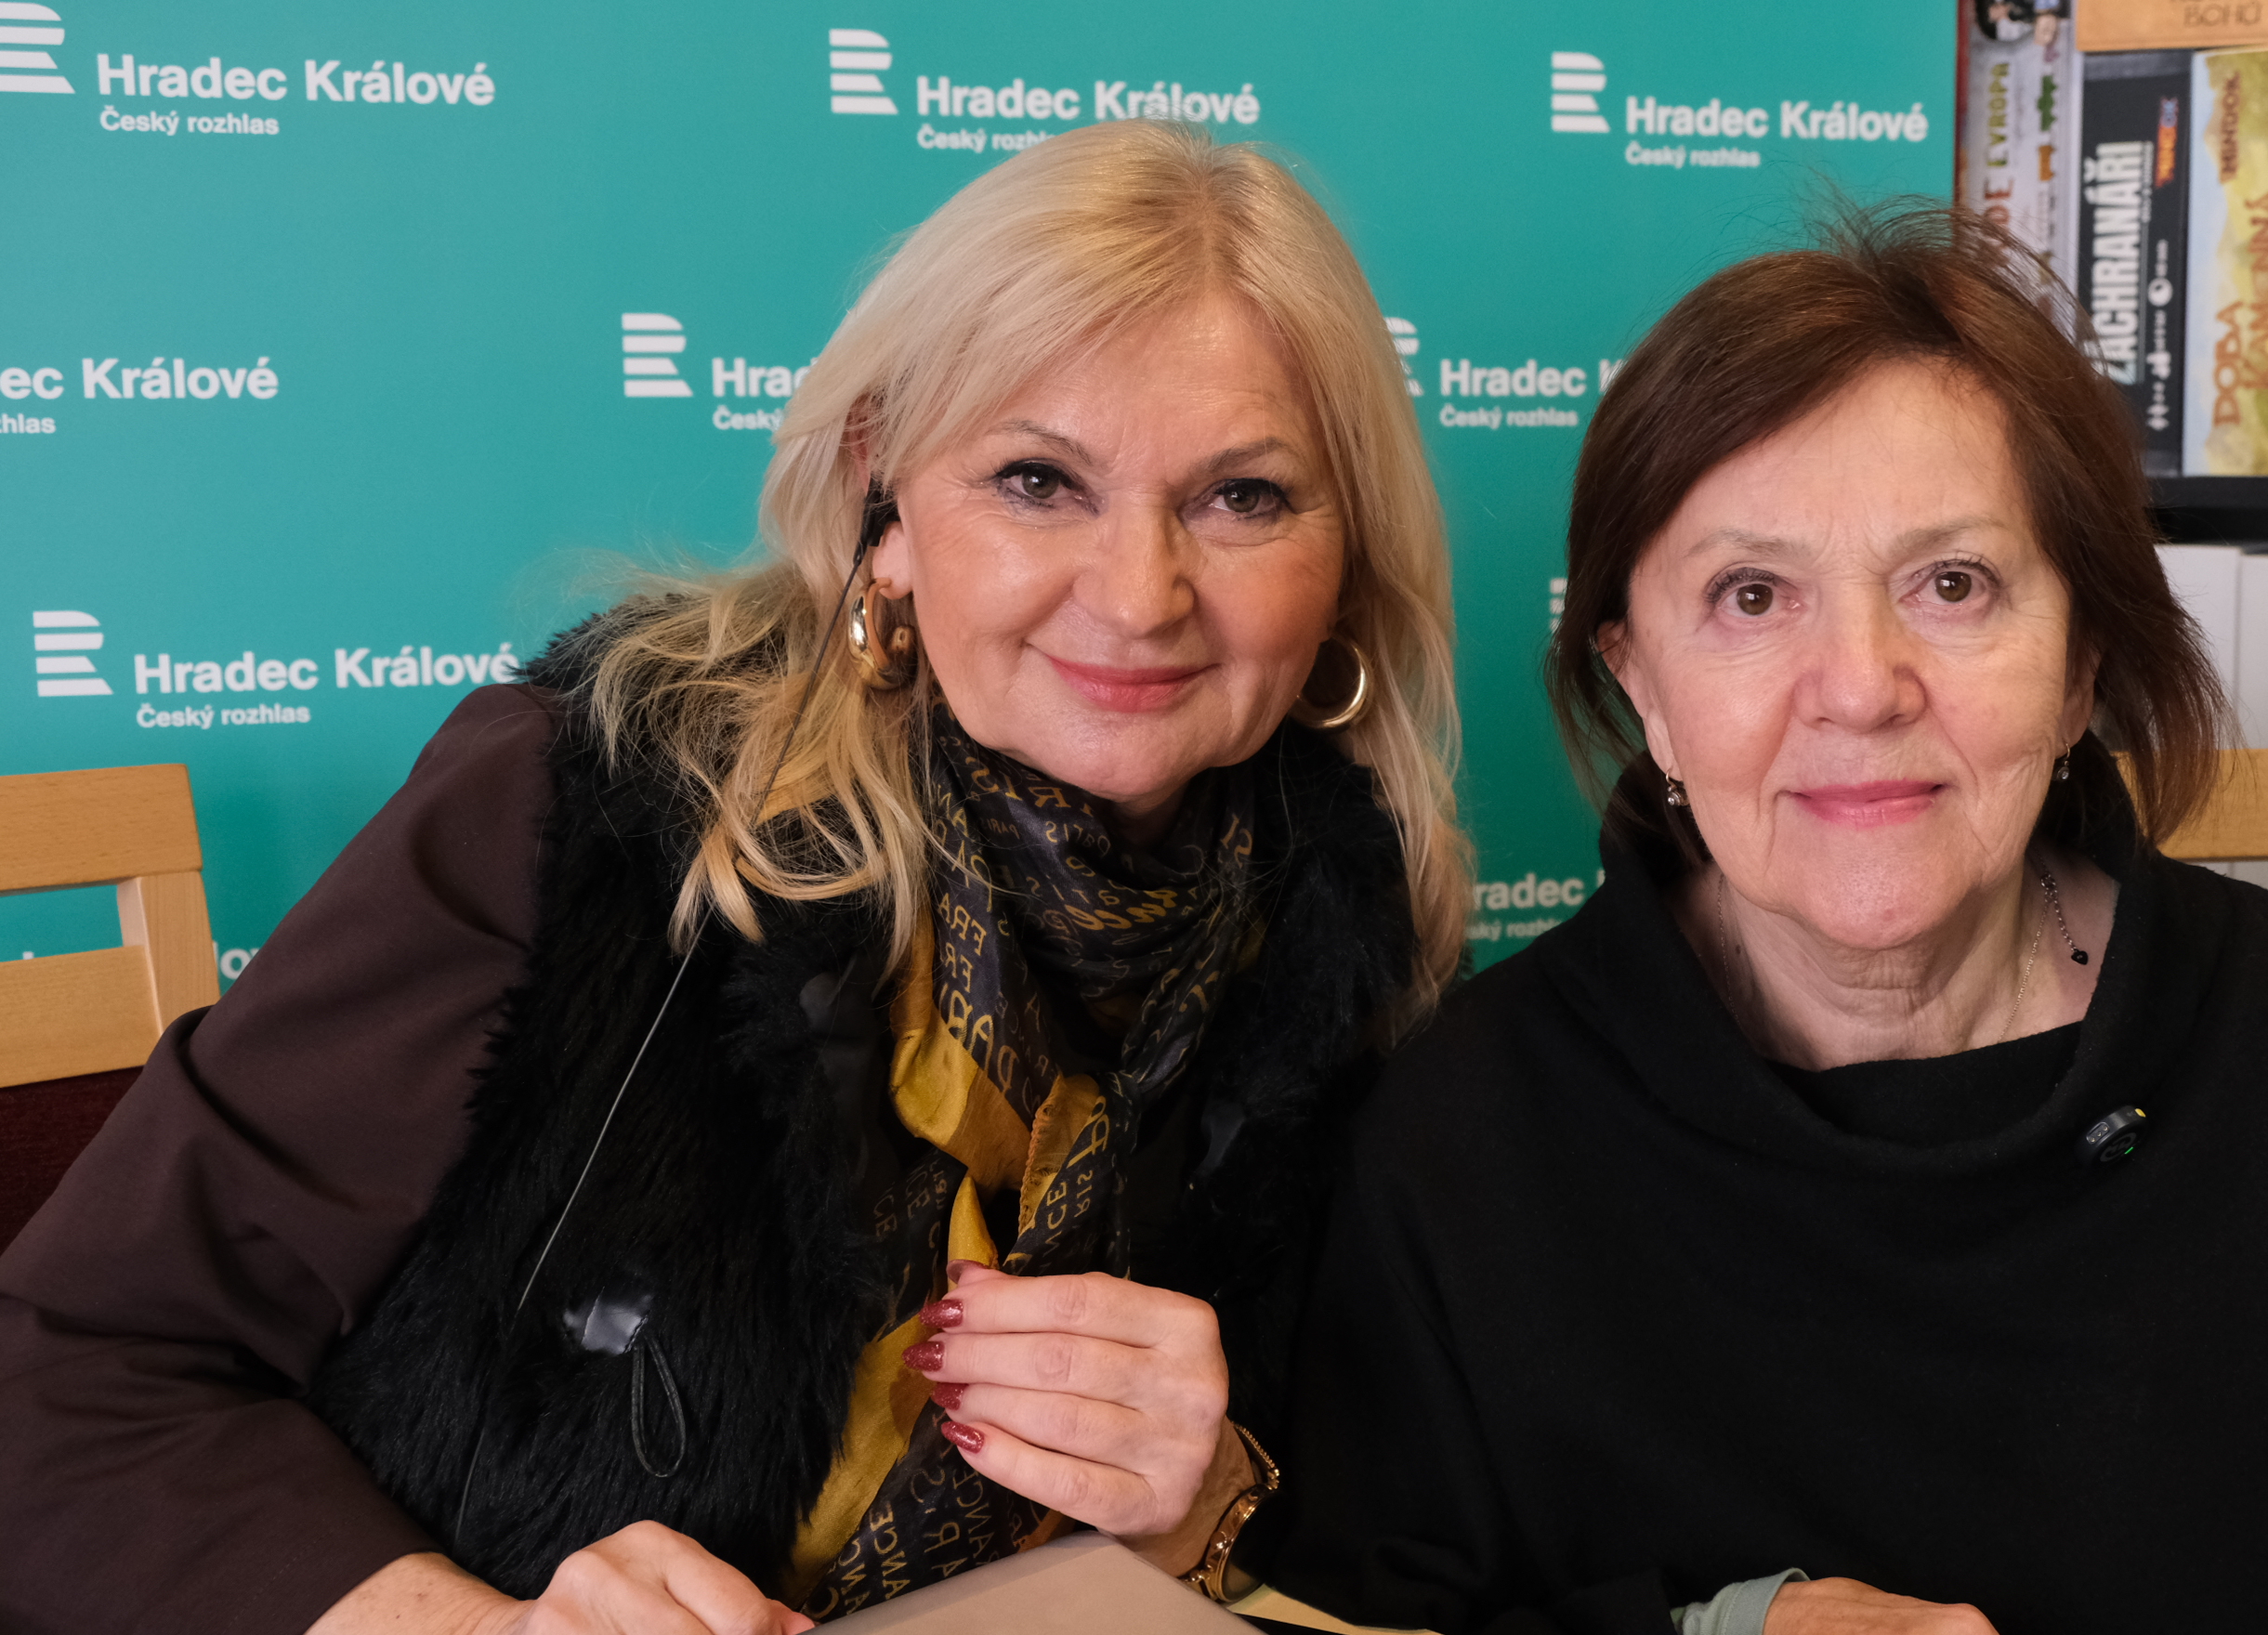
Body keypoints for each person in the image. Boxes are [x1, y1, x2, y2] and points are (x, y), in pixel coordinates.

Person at [0, 121, 1466, 1635]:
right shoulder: (583, 800)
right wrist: (474, 1628)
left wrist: (1209, 1498)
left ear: (1346, 546)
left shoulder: (1347, 924)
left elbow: (1416, 1515)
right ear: (885, 505)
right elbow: (62, 1376)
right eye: (1038, 479)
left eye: (1243, 498)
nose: (1141, 594)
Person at [1260, 205, 2268, 1635]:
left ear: (2078, 670)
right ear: (1638, 680)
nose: (1861, 687)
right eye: (1751, 597)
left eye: (1953, 583)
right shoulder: (1468, 1142)